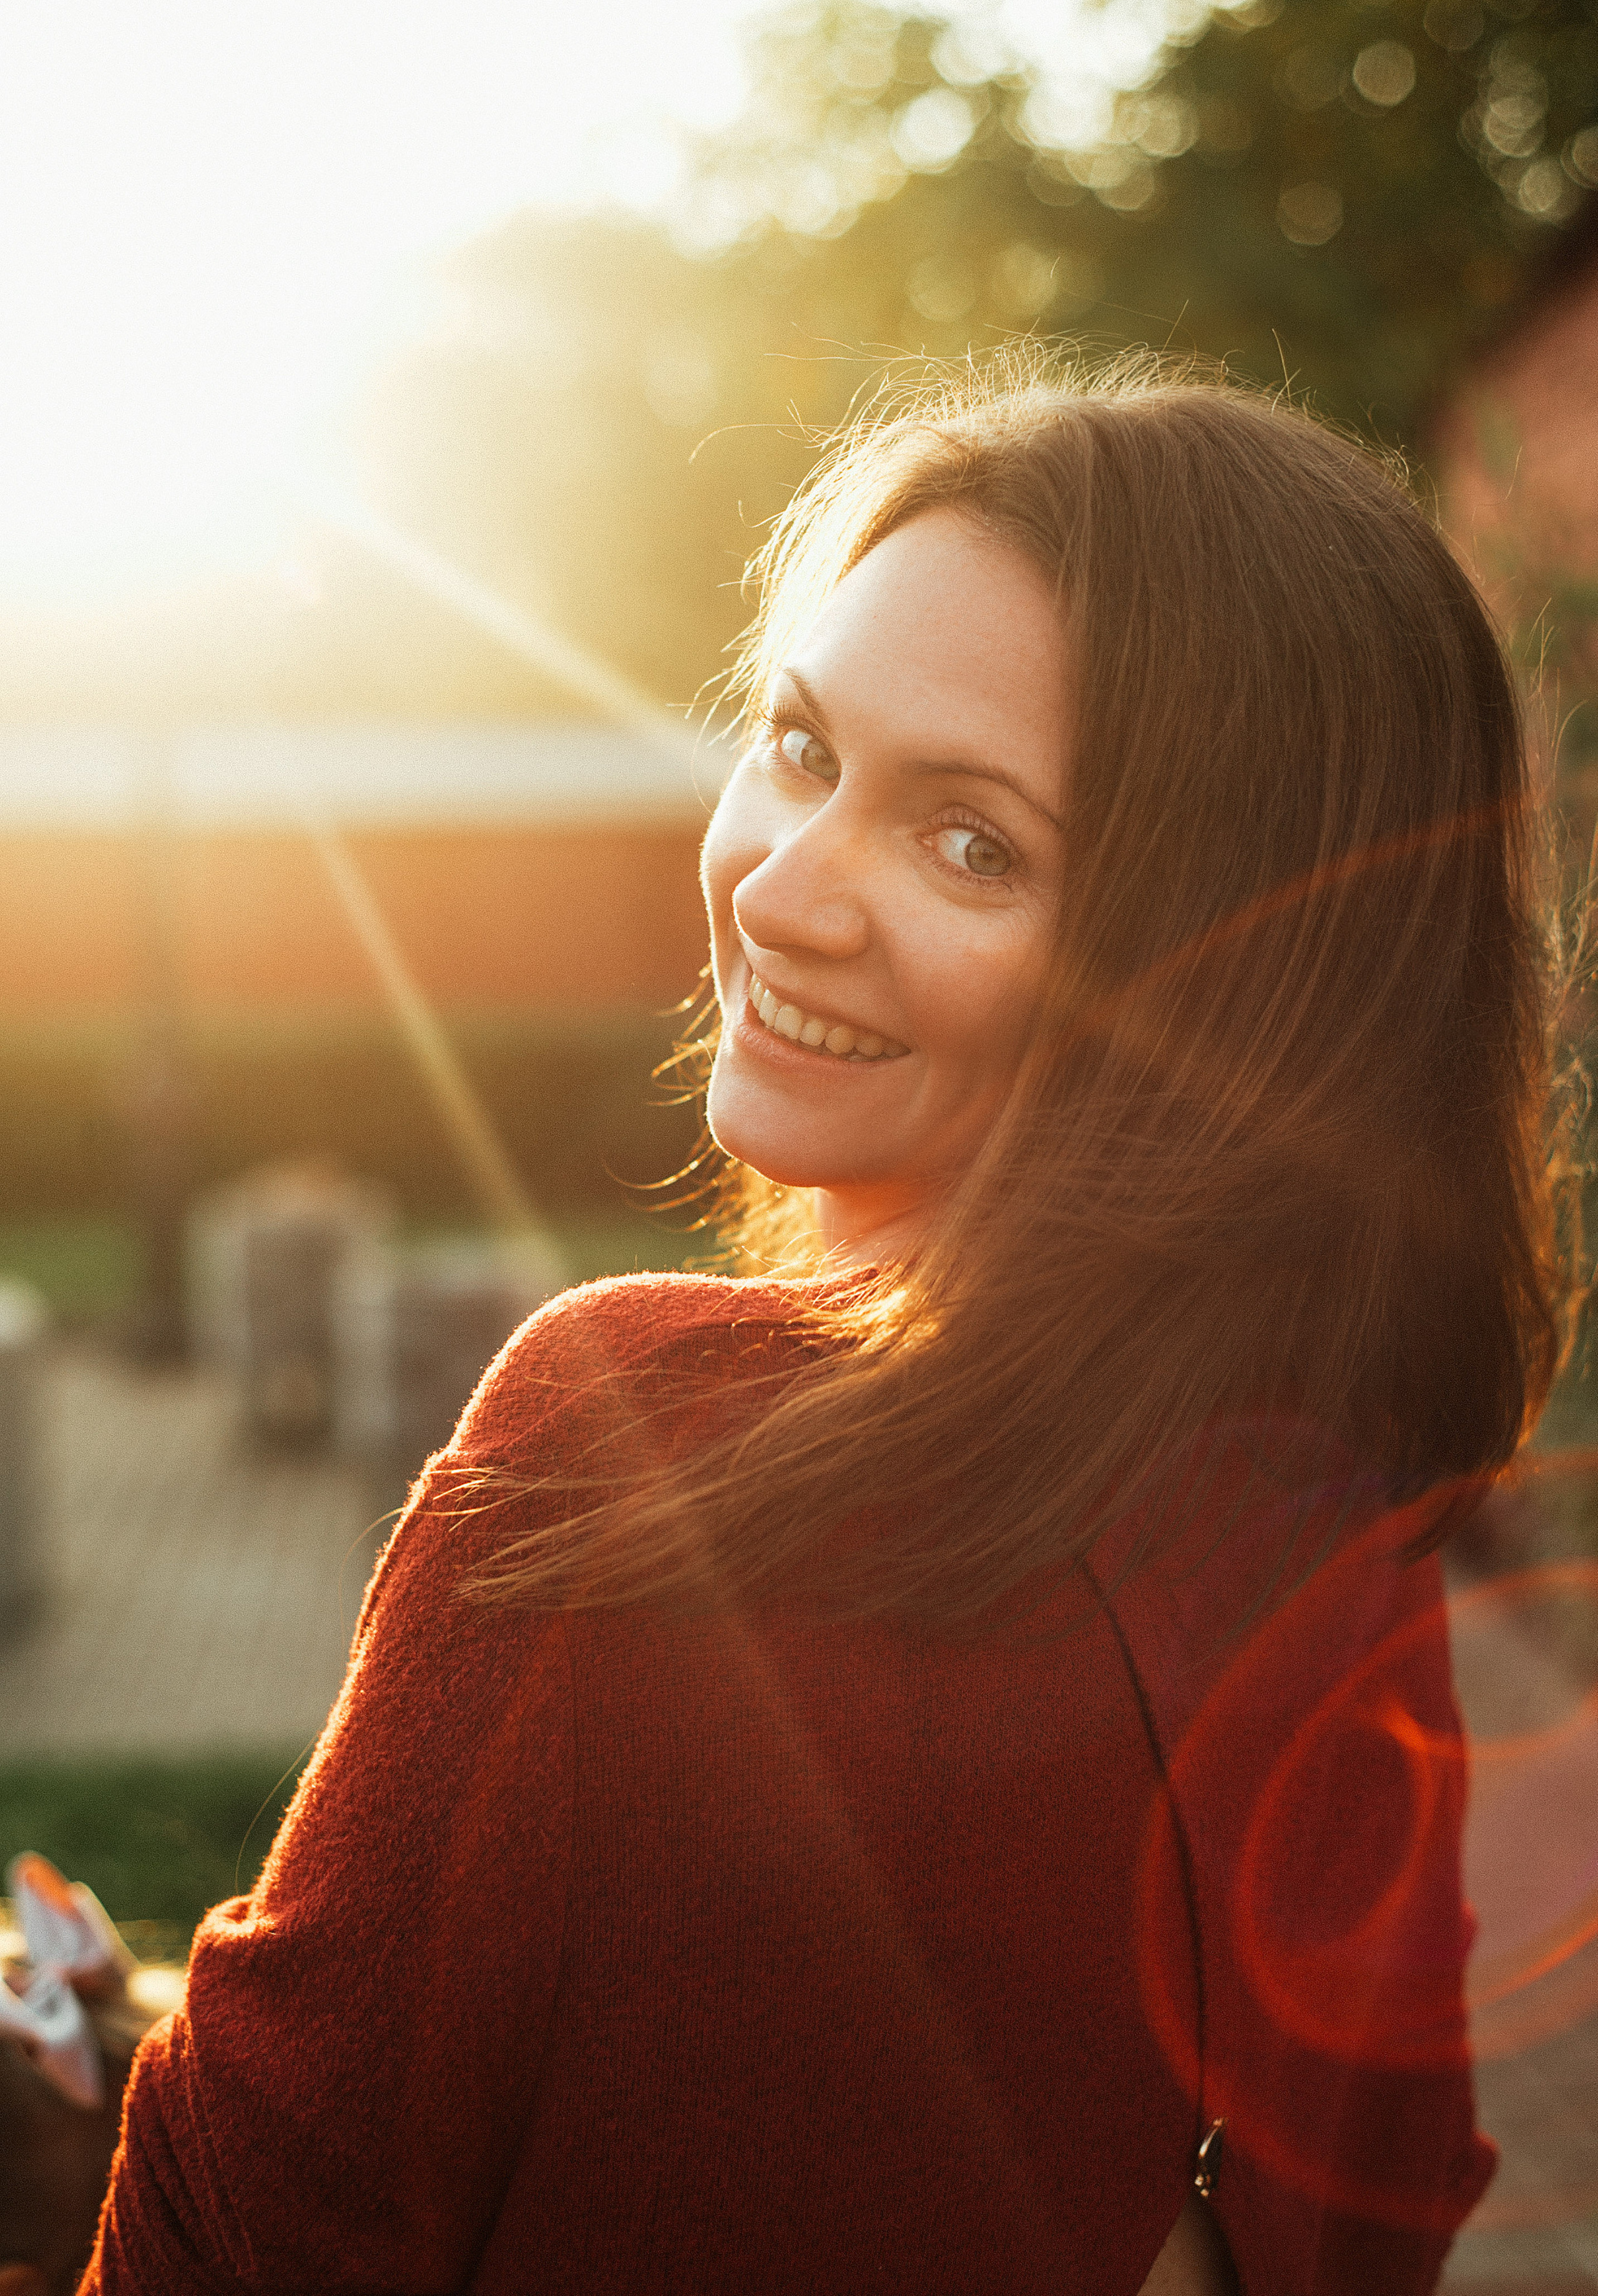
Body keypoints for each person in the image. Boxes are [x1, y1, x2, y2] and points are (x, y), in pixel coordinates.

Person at [80, 358, 1562, 2294]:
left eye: (972, 843)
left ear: (1232, 986)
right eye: (798, 742)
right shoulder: (1342, 1565)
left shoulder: (643, 1449)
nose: (783, 888)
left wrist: (111, 2170)